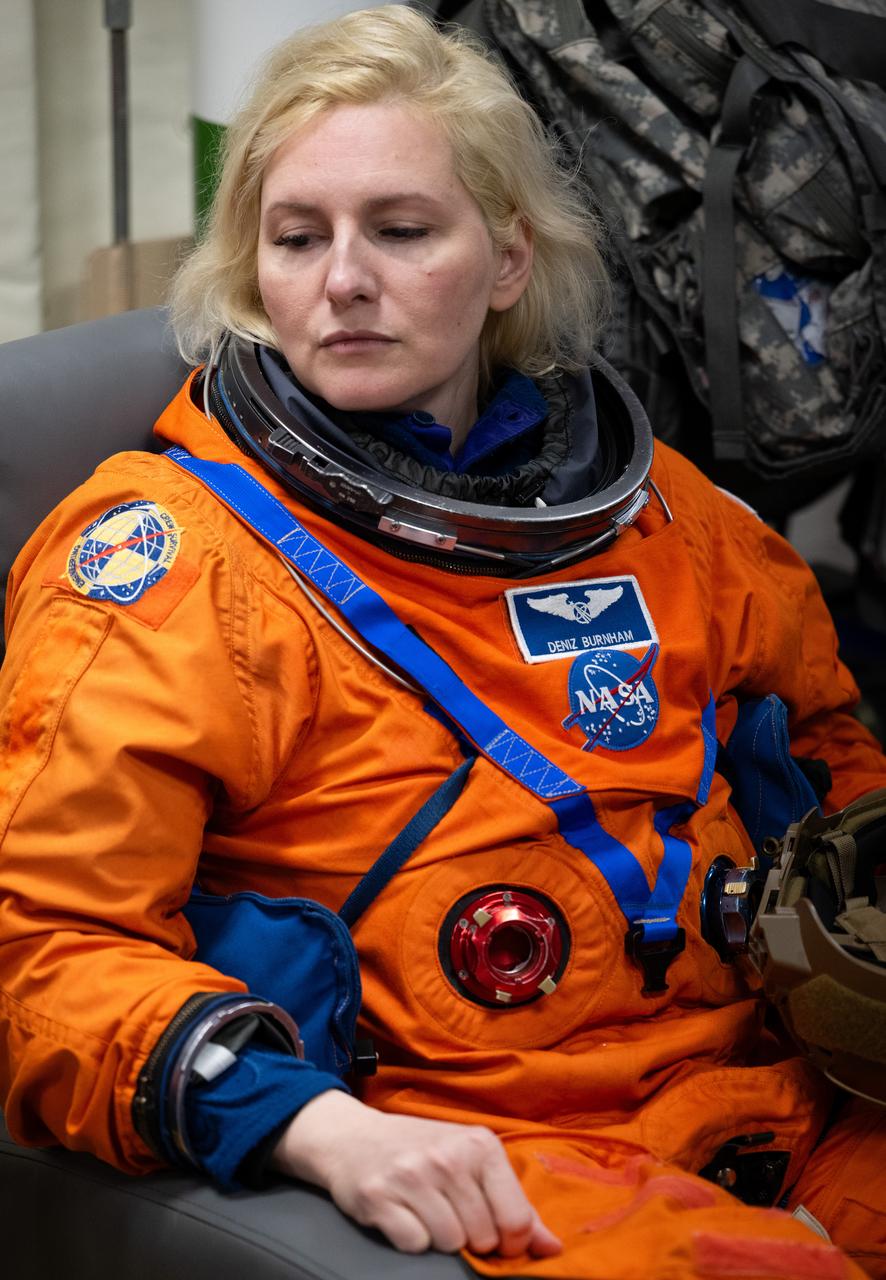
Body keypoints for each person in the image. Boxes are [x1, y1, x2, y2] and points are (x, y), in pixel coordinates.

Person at [1, 6, 885, 1278]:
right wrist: (312, 1124)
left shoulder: (668, 519)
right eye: (296, 239)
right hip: (482, 1144)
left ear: (508, 258)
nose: (343, 278)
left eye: (402, 230)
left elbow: (836, 761)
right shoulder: (171, 566)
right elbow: (46, 949)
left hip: (779, 1091)